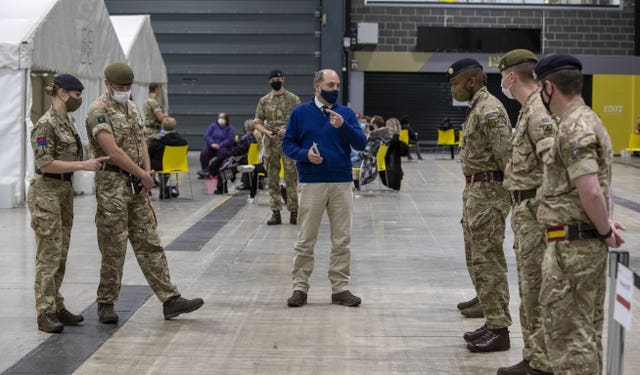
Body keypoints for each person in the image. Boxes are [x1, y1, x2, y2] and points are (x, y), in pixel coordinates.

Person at [86, 62, 204, 324]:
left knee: (149, 242)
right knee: (113, 247)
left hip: (137, 184)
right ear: (107, 84)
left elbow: (141, 141)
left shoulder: (133, 107)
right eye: (119, 87)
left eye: (128, 87)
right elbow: (113, 152)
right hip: (112, 186)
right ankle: (106, 303)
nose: (124, 91)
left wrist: (147, 174)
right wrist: (141, 175)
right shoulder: (98, 111)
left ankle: (170, 299)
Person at [534, 54, 624, 374]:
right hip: (577, 241)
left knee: (570, 337)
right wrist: (601, 224)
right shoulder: (587, 119)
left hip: (572, 248)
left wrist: (603, 230)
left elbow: (591, 190)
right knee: (584, 333)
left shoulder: (574, 126)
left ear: (548, 86)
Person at [28, 74, 109, 333]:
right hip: (46, 191)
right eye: (76, 95)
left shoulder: (67, 121)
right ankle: (44, 312)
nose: (79, 100)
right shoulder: (45, 124)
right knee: (48, 255)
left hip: (63, 190)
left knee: (60, 254)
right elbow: (45, 162)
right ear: (62, 92)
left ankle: (56, 304)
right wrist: (83, 165)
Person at [282, 68, 367, 307]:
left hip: (341, 181)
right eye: (330, 85)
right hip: (311, 182)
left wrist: (344, 126)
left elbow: (361, 143)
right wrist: (305, 155)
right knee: (305, 238)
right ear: (317, 87)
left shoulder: (346, 113)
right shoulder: (300, 113)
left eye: (337, 85)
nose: (335, 90)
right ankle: (300, 287)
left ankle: (340, 288)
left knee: (342, 239)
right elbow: (287, 145)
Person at [496, 49, 556, 375]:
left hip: (535, 213)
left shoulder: (537, 114)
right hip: (525, 209)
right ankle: (534, 356)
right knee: (529, 288)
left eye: (502, 75)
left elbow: (554, 166)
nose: (501, 82)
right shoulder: (526, 111)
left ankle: (541, 364)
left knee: (535, 290)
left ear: (512, 76)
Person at [447, 58, 513, 353]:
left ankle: (500, 330)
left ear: (472, 81)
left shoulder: (489, 110)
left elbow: (506, 159)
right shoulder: (476, 107)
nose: (453, 88)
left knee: (489, 261)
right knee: (477, 258)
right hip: (476, 191)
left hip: (488, 192)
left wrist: (506, 199)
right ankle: (491, 318)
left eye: (455, 83)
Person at [254, 69, 301, 225]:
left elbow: (300, 120)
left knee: (291, 177)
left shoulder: (293, 99)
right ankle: (276, 212)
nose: (276, 80)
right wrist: (266, 132)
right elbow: (257, 122)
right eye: (273, 78)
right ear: (269, 81)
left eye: (278, 78)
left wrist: (287, 130)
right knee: (272, 178)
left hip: (288, 141)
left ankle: (294, 211)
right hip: (271, 142)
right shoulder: (264, 100)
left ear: (283, 79)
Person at [147, 117, 188, 199]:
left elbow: (148, 152)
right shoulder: (183, 140)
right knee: (165, 164)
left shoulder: (157, 139)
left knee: (148, 162)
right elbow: (185, 152)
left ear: (163, 126)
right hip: (178, 165)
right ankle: (163, 188)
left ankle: (148, 189)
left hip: (160, 165)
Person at [198, 112, 235, 177]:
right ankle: (205, 171)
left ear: (226, 119)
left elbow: (230, 139)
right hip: (212, 146)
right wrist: (212, 143)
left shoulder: (230, 128)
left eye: (222, 118)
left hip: (223, 147)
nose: (220, 119)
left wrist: (220, 145)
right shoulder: (213, 126)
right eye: (219, 117)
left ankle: (217, 171)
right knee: (204, 153)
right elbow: (207, 135)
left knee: (222, 155)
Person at [380, 117, 405, 190]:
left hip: (391, 167)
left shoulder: (392, 137)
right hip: (397, 166)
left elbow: (387, 150)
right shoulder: (399, 135)